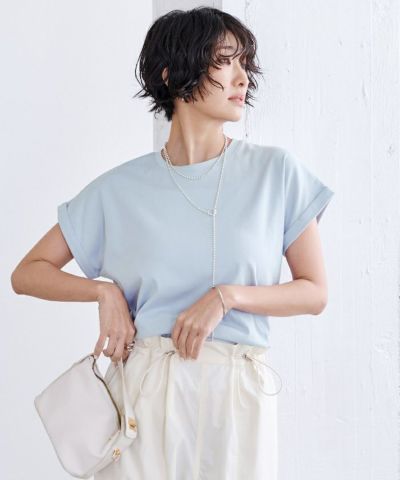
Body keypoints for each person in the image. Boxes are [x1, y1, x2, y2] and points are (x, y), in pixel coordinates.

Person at [11, 6, 335, 480]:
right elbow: (27, 272)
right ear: (172, 73)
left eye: (245, 63)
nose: (242, 77)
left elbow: (314, 292)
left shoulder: (276, 173)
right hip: (144, 391)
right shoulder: (120, 190)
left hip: (235, 393)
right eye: (225, 60)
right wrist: (103, 291)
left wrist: (226, 297)